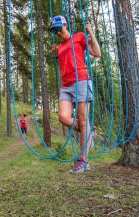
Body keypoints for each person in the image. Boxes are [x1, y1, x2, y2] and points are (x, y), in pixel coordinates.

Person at [50, 15, 101, 173]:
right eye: (54, 30)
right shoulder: (59, 47)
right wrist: (56, 53)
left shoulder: (79, 37)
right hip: (66, 85)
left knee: (83, 121)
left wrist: (90, 33)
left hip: (81, 81)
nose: (58, 32)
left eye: (59, 28)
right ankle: (89, 134)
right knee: (63, 117)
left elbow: (97, 53)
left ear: (65, 25)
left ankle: (83, 161)